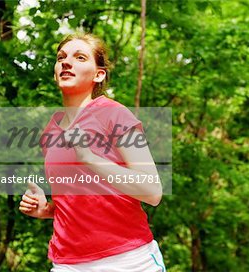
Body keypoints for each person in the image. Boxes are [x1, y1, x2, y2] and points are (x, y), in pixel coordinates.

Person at [18, 33, 166, 272]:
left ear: (99, 74)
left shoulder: (115, 115)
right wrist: (46, 210)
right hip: (67, 263)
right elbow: (83, 199)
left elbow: (152, 191)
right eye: (61, 57)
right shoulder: (51, 131)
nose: (66, 62)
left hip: (128, 260)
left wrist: (92, 159)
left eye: (80, 57)